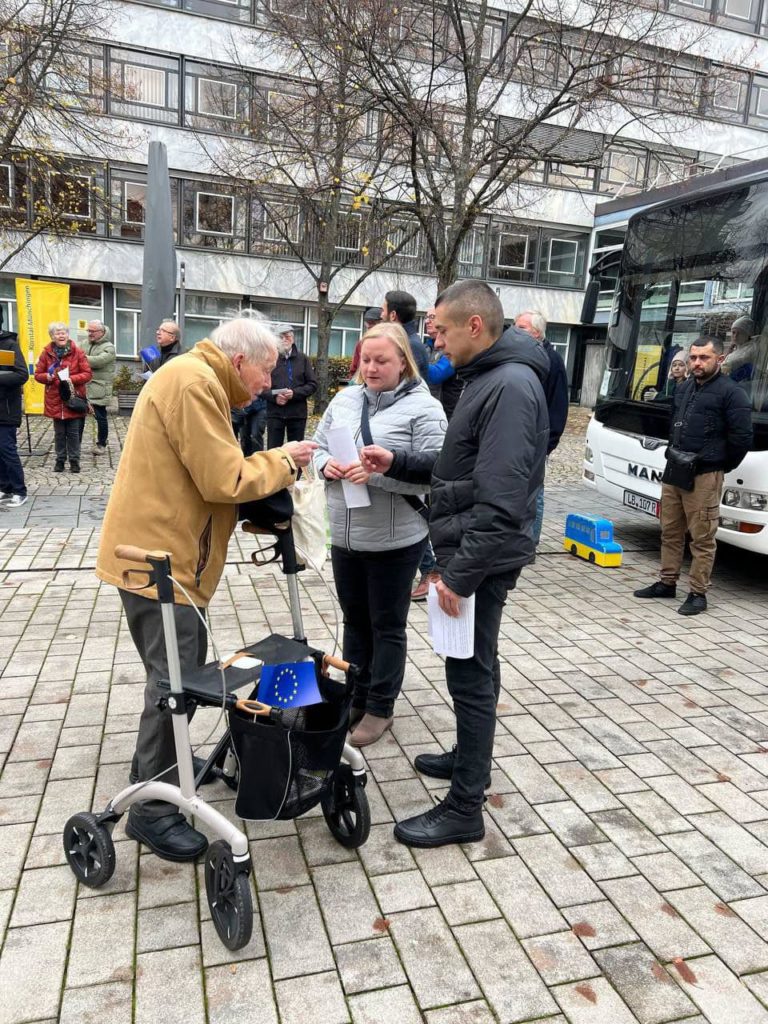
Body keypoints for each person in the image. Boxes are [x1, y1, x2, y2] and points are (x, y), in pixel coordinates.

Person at [96, 318, 316, 862]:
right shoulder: (194, 383)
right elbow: (225, 478)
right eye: (265, 370)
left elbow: (204, 476)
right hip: (158, 565)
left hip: (166, 558)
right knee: (175, 683)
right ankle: (152, 809)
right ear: (239, 361)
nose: (268, 383)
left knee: (175, 676)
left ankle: (153, 771)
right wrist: (287, 460)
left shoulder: (198, 379)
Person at [362, 281, 549, 847]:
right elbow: (458, 467)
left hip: (480, 557)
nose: (431, 337)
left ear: (474, 326)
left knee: (470, 675)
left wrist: (458, 576)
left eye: (439, 328)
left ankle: (466, 806)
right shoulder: (487, 377)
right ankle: (471, 760)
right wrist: (399, 460)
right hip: (473, 548)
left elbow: (502, 498)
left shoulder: (510, 385)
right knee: (471, 666)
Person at [313, 322, 446, 748]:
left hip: (395, 539)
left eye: (381, 360)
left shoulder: (424, 409)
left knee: (386, 626)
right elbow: (316, 445)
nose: (370, 368)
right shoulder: (345, 399)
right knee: (354, 621)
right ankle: (356, 694)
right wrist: (324, 465)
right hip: (346, 536)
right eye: (365, 359)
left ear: (403, 361)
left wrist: (380, 474)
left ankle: (381, 707)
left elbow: (438, 473)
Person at [634, 335, 752, 616]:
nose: (697, 363)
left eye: (704, 358)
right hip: (675, 469)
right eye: (694, 358)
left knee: (702, 538)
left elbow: (742, 438)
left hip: (705, 474)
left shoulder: (732, 393)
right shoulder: (684, 388)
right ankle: (667, 582)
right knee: (670, 530)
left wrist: (719, 465)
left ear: (720, 359)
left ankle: (698, 593)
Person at [514, 310, 569, 545]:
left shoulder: (551, 361)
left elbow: (558, 405)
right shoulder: (521, 355)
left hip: (538, 439)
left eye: (522, 328)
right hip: (518, 436)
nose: (515, 332)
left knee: (535, 492)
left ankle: (531, 541)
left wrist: (548, 443)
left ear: (536, 332)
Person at [34, 323, 92, 474]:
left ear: (67, 335)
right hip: (55, 399)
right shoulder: (46, 354)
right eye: (57, 333)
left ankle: (74, 461)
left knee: (73, 433)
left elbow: (87, 374)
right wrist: (47, 376)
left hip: (73, 398)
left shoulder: (78, 352)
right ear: (52, 336)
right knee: (59, 433)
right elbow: (38, 374)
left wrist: (71, 379)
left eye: (63, 333)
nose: (61, 335)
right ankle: (60, 460)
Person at [266, 324, 317, 447]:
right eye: (280, 337)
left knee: (297, 451)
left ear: (293, 339)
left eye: (287, 336)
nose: (284, 340)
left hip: (297, 413)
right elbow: (261, 387)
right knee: (274, 451)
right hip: (275, 413)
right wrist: (274, 397)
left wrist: (295, 394)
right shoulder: (269, 358)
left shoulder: (303, 359)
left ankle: (294, 468)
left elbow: (312, 384)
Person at [0, 310, 29, 508]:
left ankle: (20, 490)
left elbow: (21, 375)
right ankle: (5, 487)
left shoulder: (8, 345)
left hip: (6, 409)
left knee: (7, 449)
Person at [82, 320, 116, 453]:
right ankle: (75, 444)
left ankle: (101, 444)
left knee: (100, 417)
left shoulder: (109, 347)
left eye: (92, 331)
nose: (89, 333)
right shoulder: (84, 344)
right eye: (88, 331)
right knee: (78, 417)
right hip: (83, 386)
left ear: (101, 332)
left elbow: (99, 361)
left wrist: (80, 358)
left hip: (99, 388)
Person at [381, 290, 429, 378]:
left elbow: (404, 383)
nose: (381, 315)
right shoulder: (404, 341)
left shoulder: (411, 345)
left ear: (393, 315)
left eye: (383, 311)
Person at [722, 315, 758, 383]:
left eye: (740, 333)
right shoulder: (740, 347)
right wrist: (730, 349)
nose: (735, 336)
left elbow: (729, 365)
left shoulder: (751, 349)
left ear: (748, 334)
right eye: (733, 332)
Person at [349, 307, 382, 376]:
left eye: (373, 323)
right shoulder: (361, 344)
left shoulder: (391, 344)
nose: (369, 326)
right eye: (367, 323)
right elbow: (353, 369)